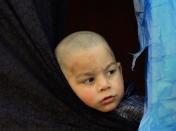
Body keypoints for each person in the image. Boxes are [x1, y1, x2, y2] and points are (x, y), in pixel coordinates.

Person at [55, 31, 144, 126]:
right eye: (90, 80)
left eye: (111, 72)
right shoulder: (65, 117)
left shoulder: (134, 109)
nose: (104, 85)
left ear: (120, 71)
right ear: (66, 85)